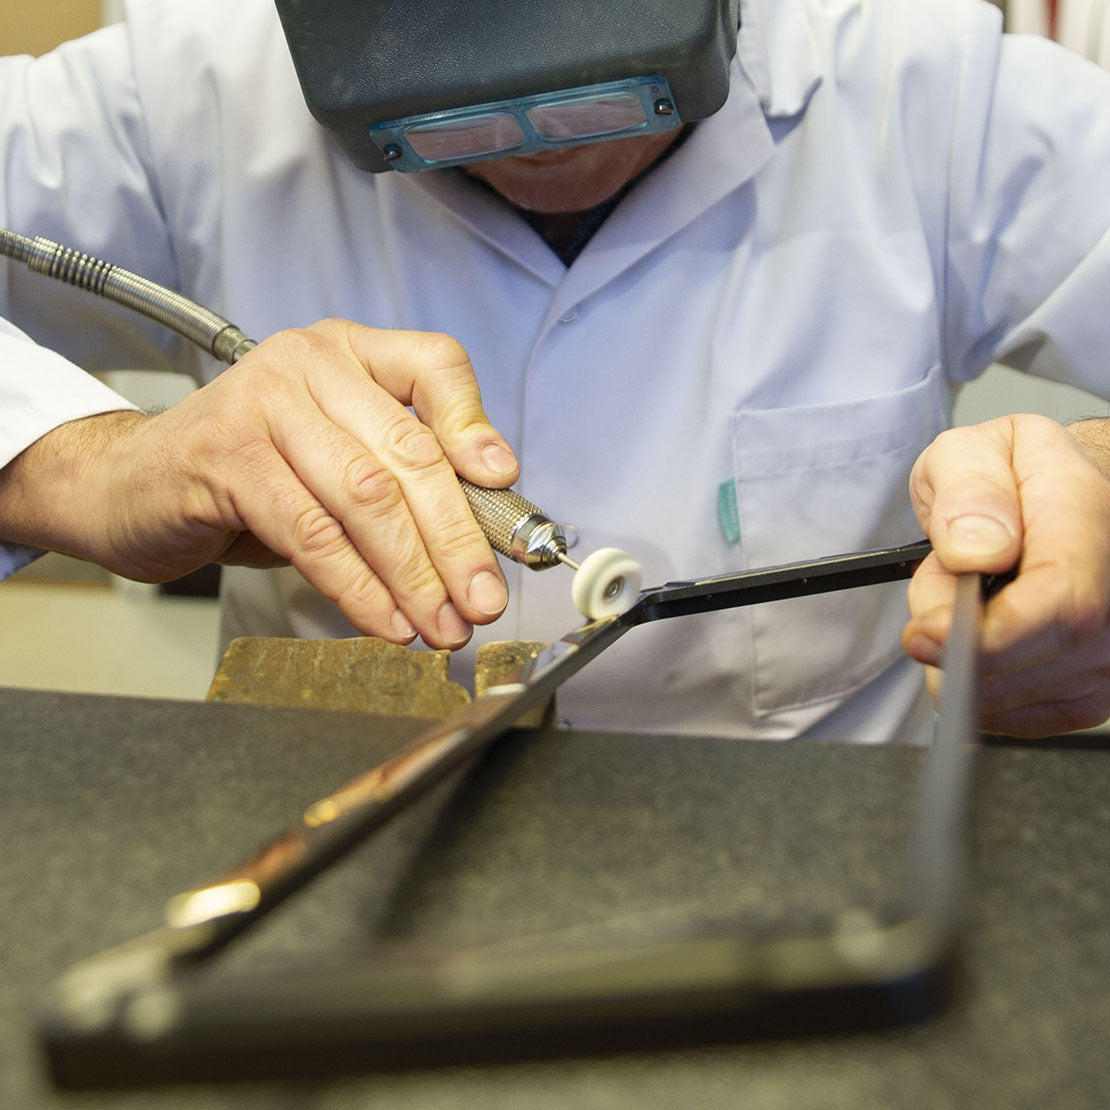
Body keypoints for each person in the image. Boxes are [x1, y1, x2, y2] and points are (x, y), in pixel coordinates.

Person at [1, 0, 1109, 745]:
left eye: (608, 96)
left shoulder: (930, 83)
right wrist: (79, 461)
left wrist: (1094, 488)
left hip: (812, 875)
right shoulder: (186, 80)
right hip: (329, 866)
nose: (544, 146)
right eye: (444, 122)